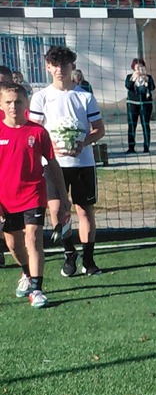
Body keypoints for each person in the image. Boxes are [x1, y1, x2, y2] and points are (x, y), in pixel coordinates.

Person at [29, 45, 104, 277]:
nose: (59, 69)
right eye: (55, 65)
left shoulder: (85, 96)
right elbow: (34, 131)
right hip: (53, 165)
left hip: (83, 163)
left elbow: (99, 130)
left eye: (64, 64)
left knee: (84, 211)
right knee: (57, 209)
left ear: (72, 66)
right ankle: (69, 253)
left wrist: (83, 143)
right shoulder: (40, 97)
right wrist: (50, 147)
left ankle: (88, 260)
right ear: (48, 67)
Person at [1, 83, 61, 308]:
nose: (13, 106)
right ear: (1, 105)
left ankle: (37, 290)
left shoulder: (38, 132)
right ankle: (26, 273)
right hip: (5, 199)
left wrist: (63, 197)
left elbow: (52, 163)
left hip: (33, 194)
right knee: (13, 244)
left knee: (33, 238)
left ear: (26, 103)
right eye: (8, 102)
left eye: (18, 101)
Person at [125, 59, 156, 154]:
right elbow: (128, 86)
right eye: (138, 67)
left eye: (142, 67)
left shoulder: (148, 77)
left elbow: (153, 87)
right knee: (132, 125)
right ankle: (131, 148)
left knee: (145, 125)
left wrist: (147, 80)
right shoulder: (130, 77)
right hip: (132, 104)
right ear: (134, 68)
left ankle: (146, 147)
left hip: (146, 105)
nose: (140, 69)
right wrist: (134, 78)